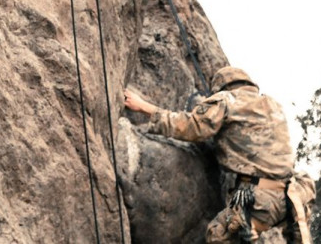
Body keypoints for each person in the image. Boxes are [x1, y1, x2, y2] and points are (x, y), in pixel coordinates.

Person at [124, 66, 297, 242]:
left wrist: (143, 107)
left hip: (257, 196)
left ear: (222, 87)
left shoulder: (226, 100)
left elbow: (191, 126)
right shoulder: (273, 105)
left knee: (218, 235)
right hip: (293, 197)